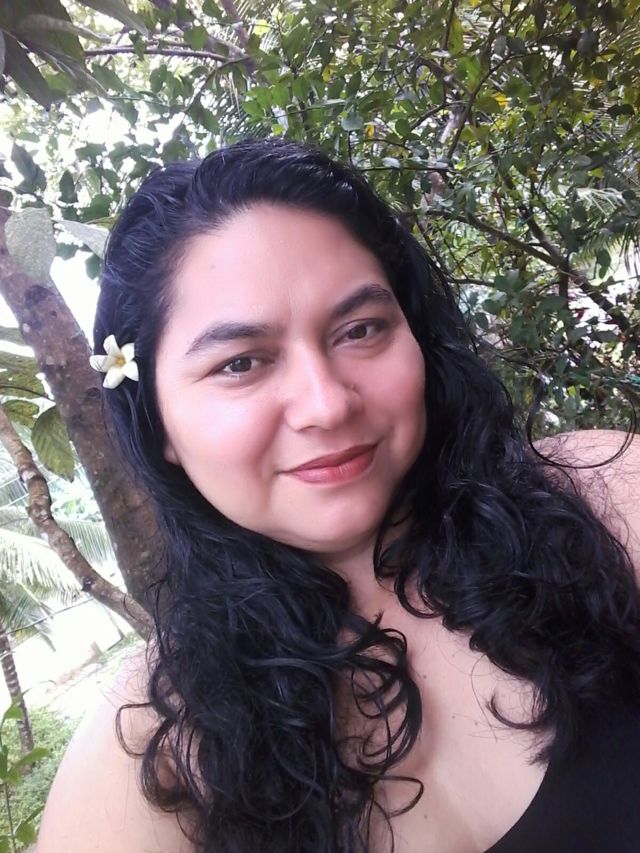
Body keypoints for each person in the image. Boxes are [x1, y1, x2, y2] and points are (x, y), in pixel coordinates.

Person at [38, 137, 640, 853]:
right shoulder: (151, 754)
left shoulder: (611, 499)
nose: (326, 404)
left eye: (360, 329)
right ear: (157, 419)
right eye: (241, 362)